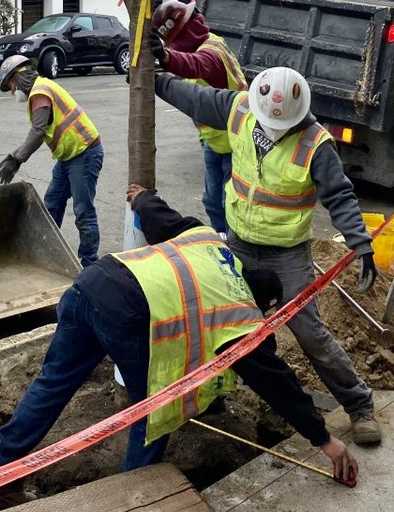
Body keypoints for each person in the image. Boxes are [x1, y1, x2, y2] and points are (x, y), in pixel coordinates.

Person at [0, 185, 358, 511]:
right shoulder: (240, 313)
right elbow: (274, 381)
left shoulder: (208, 240)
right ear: (265, 304)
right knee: (155, 411)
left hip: (90, 283)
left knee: (53, 383)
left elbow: (160, 217)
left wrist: (142, 197)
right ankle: (131, 510)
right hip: (127, 312)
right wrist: (323, 439)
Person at [153, 63, 382, 446]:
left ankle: (359, 405)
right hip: (239, 243)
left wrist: (361, 243)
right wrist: (155, 78)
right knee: (222, 322)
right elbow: (194, 98)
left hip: (286, 254)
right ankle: (215, 394)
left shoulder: (315, 143)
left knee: (309, 331)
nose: (273, 128)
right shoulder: (241, 108)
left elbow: (340, 196)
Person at [0, 54, 104, 267]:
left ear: (18, 78)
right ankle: (47, 254)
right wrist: (12, 156)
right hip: (69, 157)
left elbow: (38, 132)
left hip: (84, 153)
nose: (12, 92)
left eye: (11, 86)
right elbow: (39, 131)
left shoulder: (40, 93)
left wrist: (17, 160)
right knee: (52, 206)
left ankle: (90, 264)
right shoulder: (41, 89)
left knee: (83, 211)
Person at [150, 0, 247, 235]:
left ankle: (233, 245)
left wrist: (166, 58)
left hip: (237, 140)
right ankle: (220, 241)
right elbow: (185, 69)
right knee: (212, 202)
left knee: (230, 203)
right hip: (213, 140)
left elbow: (197, 65)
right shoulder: (194, 50)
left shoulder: (212, 50)